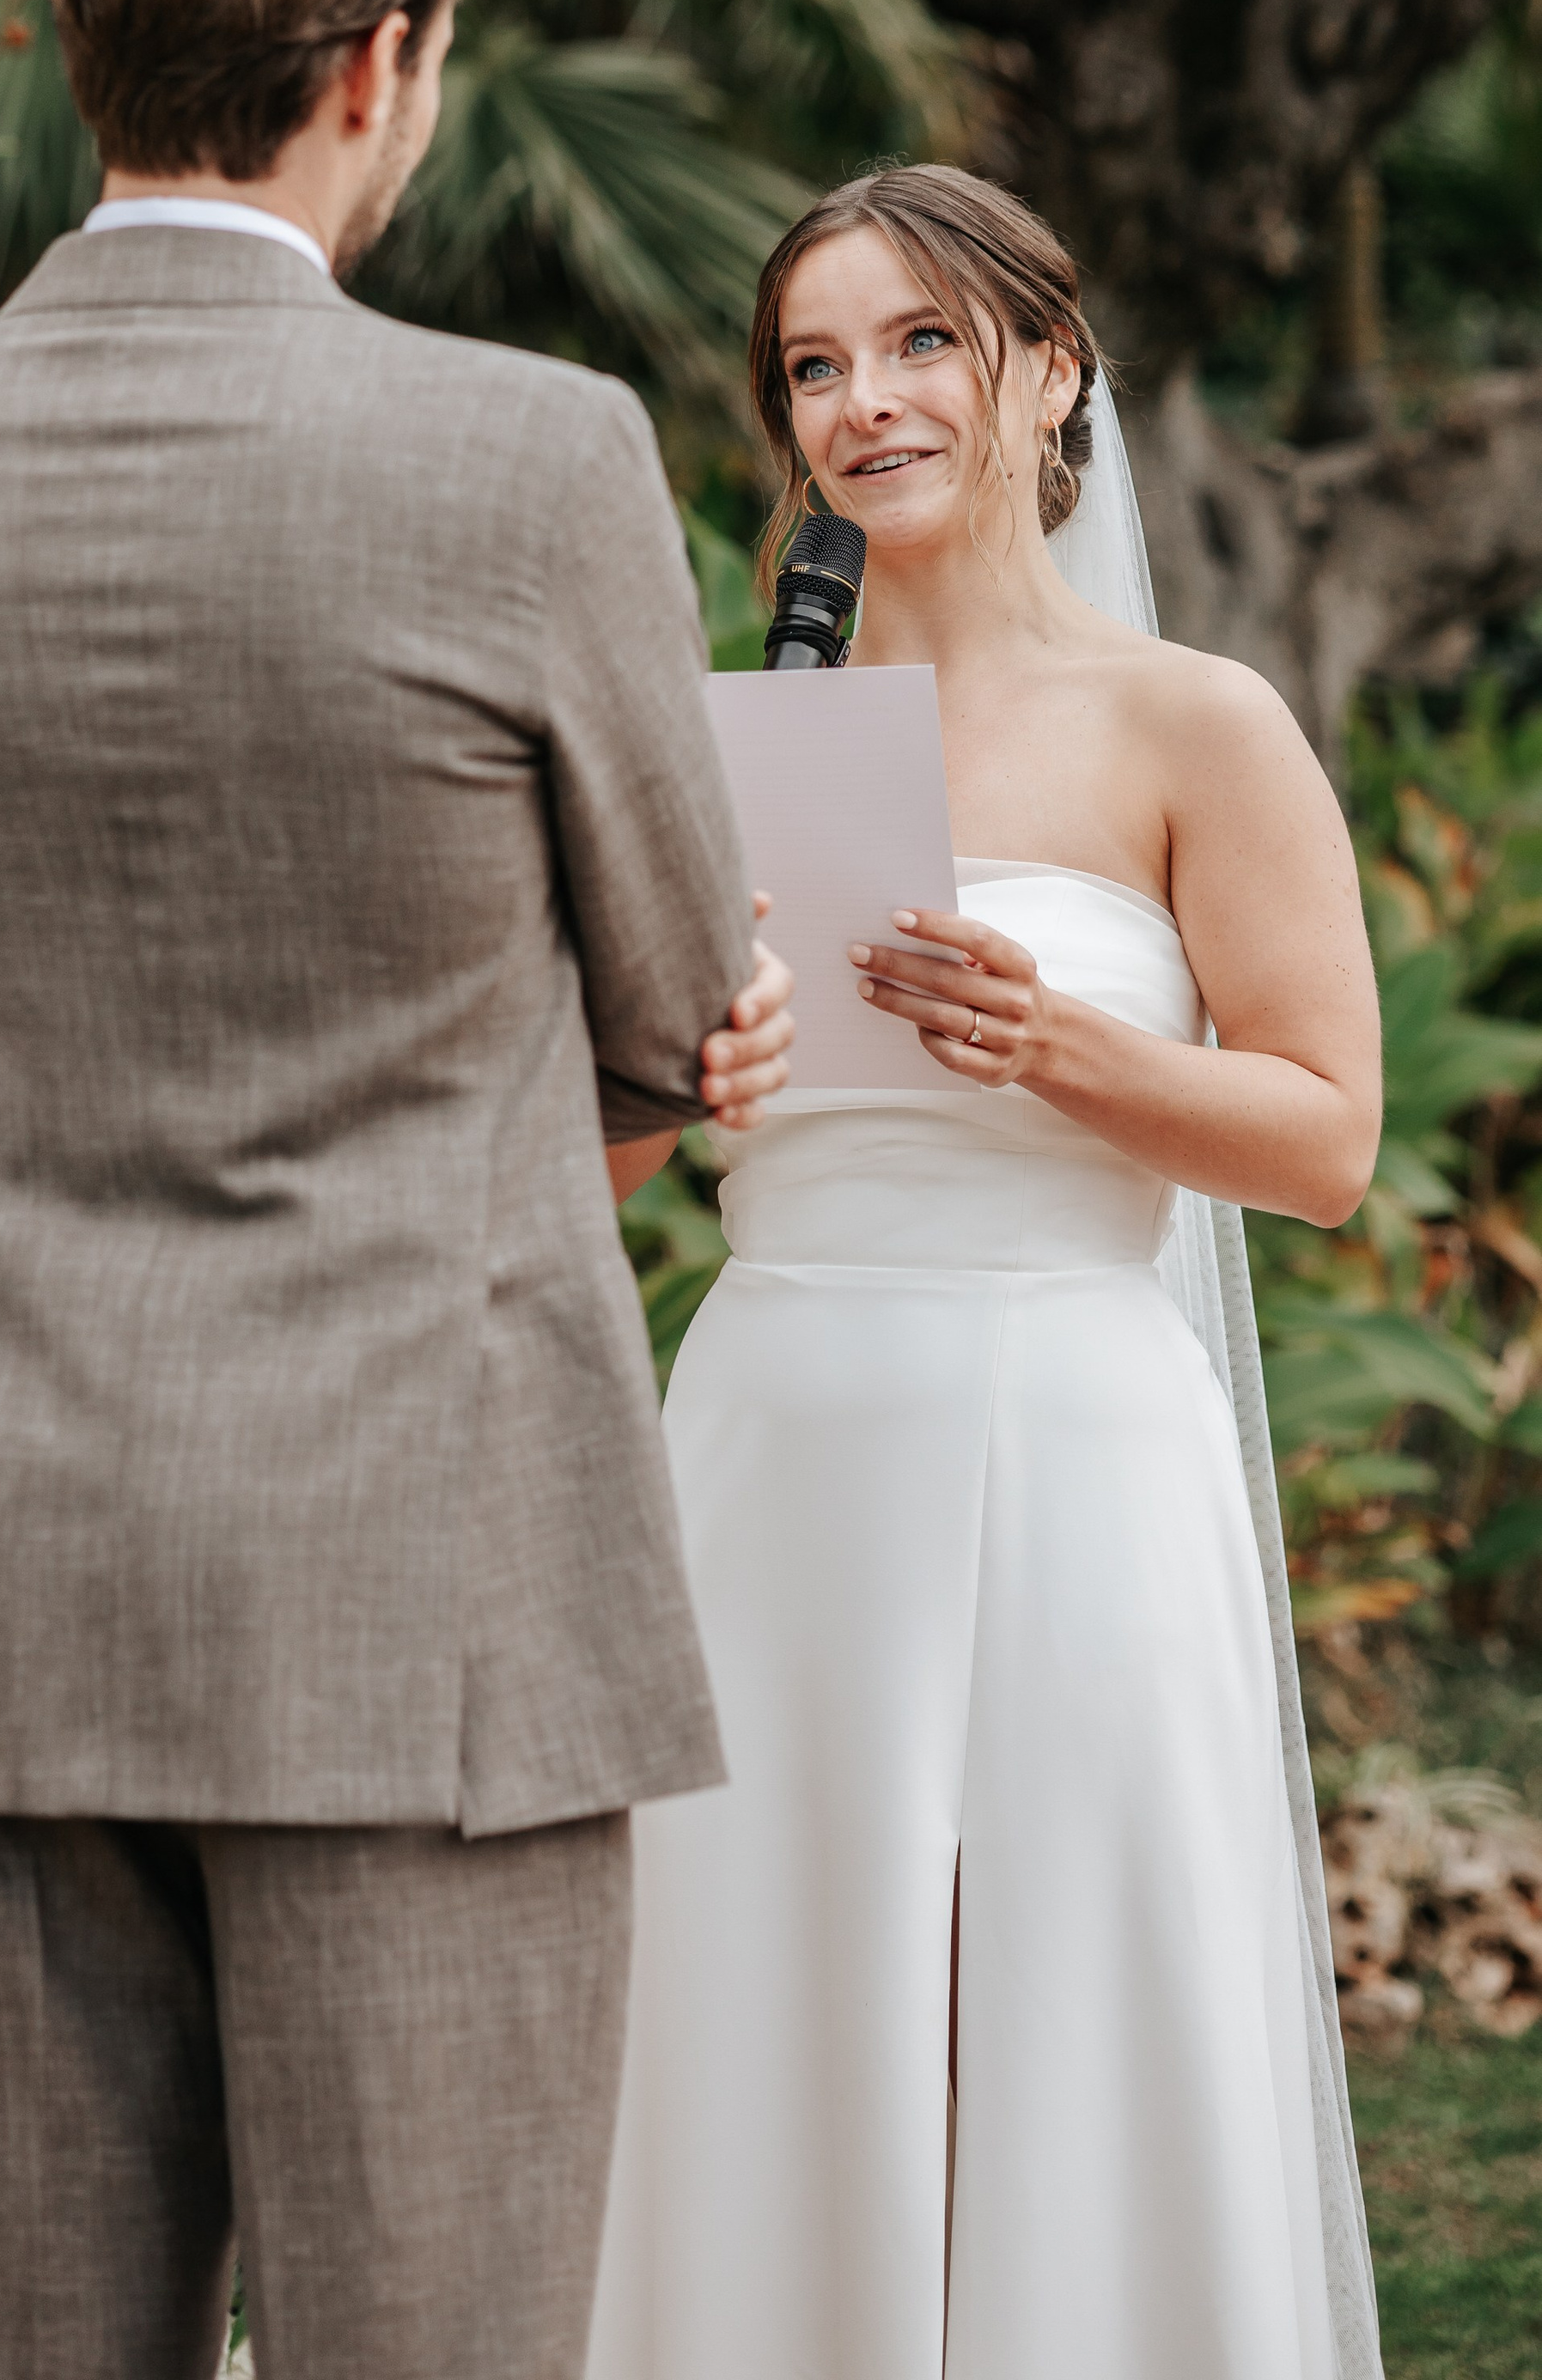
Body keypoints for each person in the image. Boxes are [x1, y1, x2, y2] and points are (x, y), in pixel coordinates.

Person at [0, 0, 794, 2380]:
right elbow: (685, 1015)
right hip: (418, 1591)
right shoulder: (533, 457)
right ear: (381, 66)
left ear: (78, 37)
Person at [586, 163, 1386, 2380]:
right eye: (816, 367)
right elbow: (616, 1151)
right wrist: (691, 1055)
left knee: (1062, 2007)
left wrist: (1062, 1050)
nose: (864, 403)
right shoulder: (734, 731)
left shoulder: (1196, 725)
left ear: (1049, 372)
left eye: (920, 342)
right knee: (774, 2004)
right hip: (775, 1433)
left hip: (1075, 1440)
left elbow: (1328, 1134)